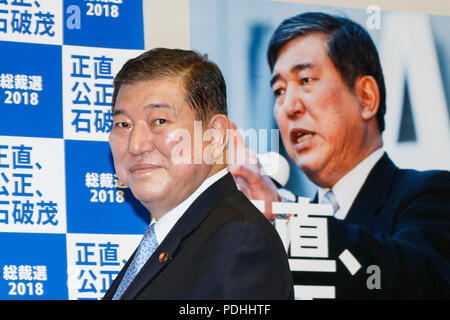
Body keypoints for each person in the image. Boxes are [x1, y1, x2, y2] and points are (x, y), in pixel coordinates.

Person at [229, 12, 450, 299]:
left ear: (366, 97)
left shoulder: (430, 195)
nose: (289, 106)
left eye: (306, 79)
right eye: (279, 90)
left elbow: (412, 281)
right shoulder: (279, 230)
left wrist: (281, 217)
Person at [102, 48, 294, 300]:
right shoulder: (167, 239)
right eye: (123, 125)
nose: (136, 145)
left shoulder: (237, 240)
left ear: (214, 137)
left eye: (159, 121)